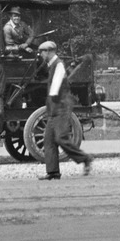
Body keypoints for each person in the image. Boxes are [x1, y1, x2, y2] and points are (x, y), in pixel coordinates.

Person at [36, 41, 93, 181]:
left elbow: (55, 88)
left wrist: (49, 100)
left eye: (42, 52)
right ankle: (53, 172)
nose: (41, 55)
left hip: (61, 106)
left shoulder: (58, 65)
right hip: (54, 107)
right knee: (48, 140)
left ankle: (85, 158)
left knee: (61, 138)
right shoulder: (52, 65)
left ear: (49, 51)